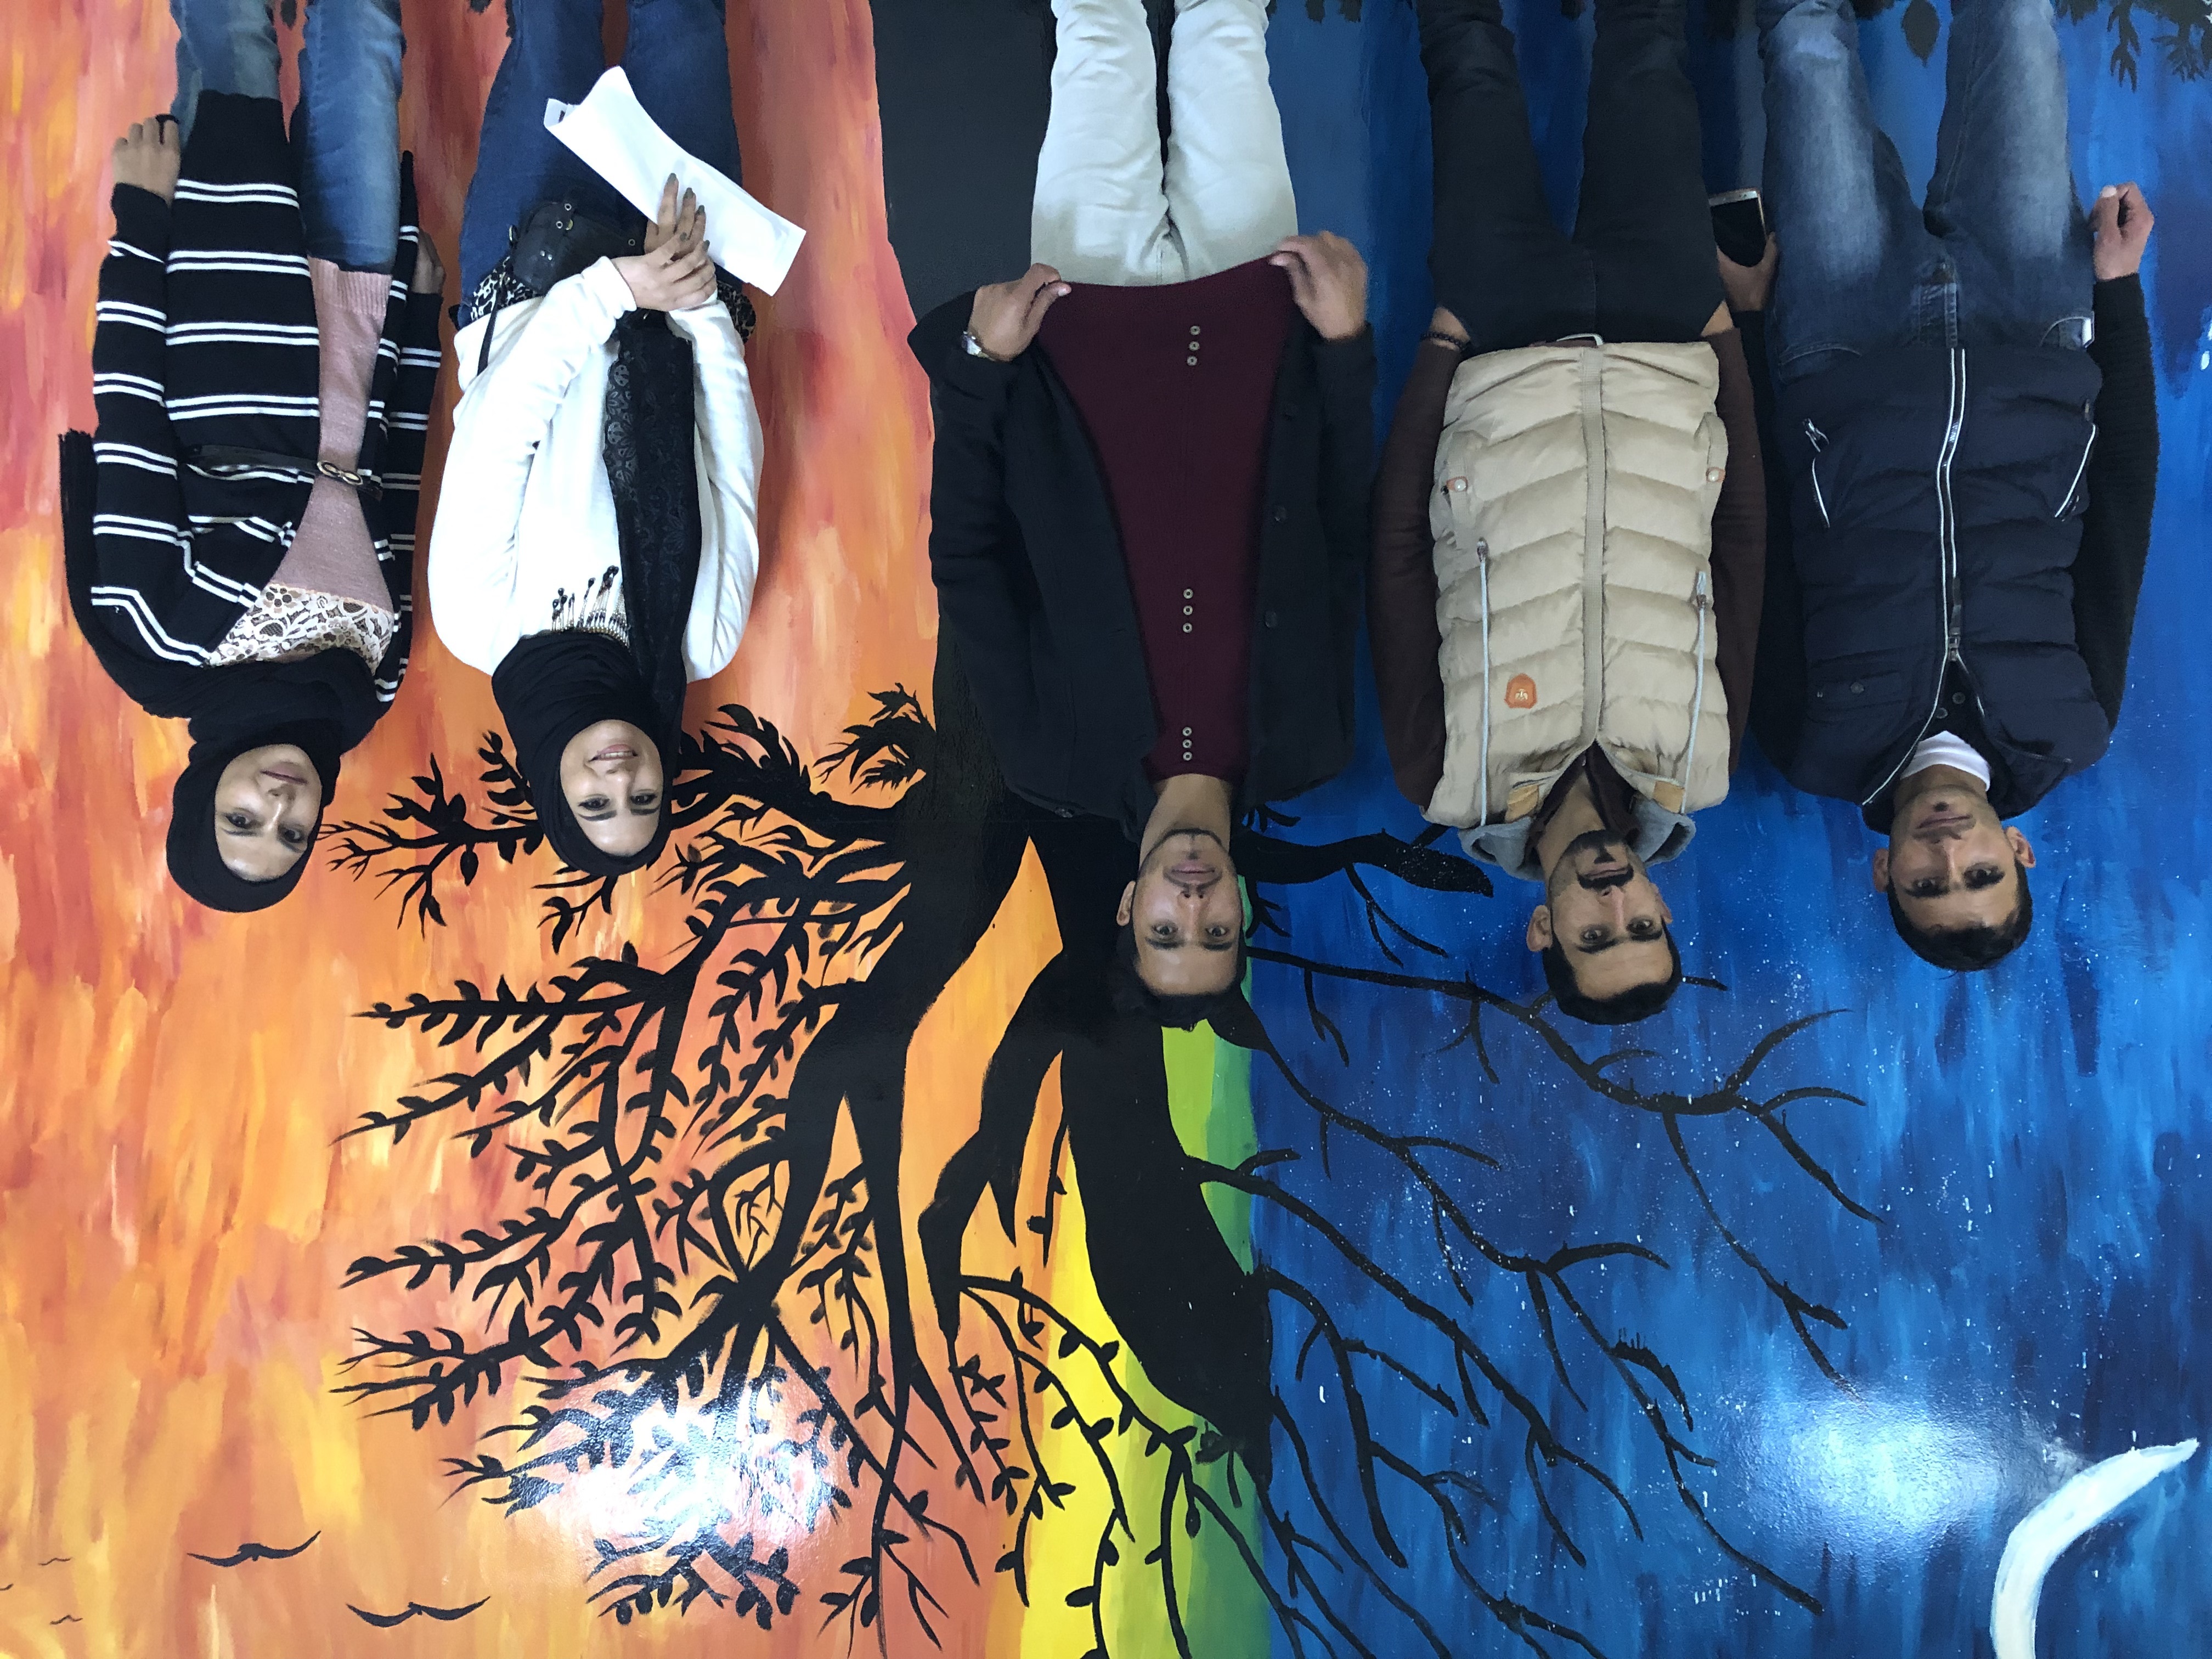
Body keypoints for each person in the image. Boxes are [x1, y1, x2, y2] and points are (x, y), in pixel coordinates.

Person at [910, 0, 1375, 1025]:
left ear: (1127, 906)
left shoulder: (1050, 758)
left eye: (1166, 932)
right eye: (1218, 932)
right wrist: (1346, 352)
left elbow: (969, 560)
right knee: (1227, 30)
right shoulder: (1313, 742)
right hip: (1260, 314)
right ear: (1246, 912)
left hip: (1085, 320)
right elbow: (1347, 533)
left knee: (1100, 34)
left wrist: (980, 370)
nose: (1193, 906)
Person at [1368, 0, 1765, 1025]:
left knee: (1469, 64)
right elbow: (1741, 543)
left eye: (1595, 936)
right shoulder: (1702, 762)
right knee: (1648, 52)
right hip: (1664, 338)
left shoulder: (1445, 777)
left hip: (1497, 348)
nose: (1616, 904)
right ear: (1666, 910)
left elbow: (1398, 557)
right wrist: (1724, 343)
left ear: (1545, 930)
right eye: (1644, 926)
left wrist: (1442, 350)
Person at [1747, 0, 2159, 972]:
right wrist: (2117, 292)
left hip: (1839, 346)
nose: (1946, 854)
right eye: (1981, 873)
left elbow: (1757, 531)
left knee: (1804, 45)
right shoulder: (2077, 726)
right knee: (2014, 21)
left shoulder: (1807, 743)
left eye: (1927, 884)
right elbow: (2123, 502)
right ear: (2018, 851)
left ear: (1883, 872)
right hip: (2033, 324)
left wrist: (1751, 328)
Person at [60, 0, 443, 913]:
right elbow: (395, 486)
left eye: (241, 821)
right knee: (365, 40)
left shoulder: (156, 637)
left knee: (233, 37)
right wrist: (419, 328)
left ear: (203, 795)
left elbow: (131, 416)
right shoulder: (372, 684)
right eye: (292, 833)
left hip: (223, 272)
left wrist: (141, 220)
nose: (277, 806)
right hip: (359, 288)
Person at [427, 0, 765, 880]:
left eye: (596, 804)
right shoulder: (702, 638)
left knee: (554, 29)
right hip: (686, 269)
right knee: (685, 27)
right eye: (645, 800)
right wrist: (691, 297)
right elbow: (732, 458)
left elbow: (501, 426)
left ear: (551, 784)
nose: (621, 781)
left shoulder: (482, 625)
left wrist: (616, 289)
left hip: (538, 265)